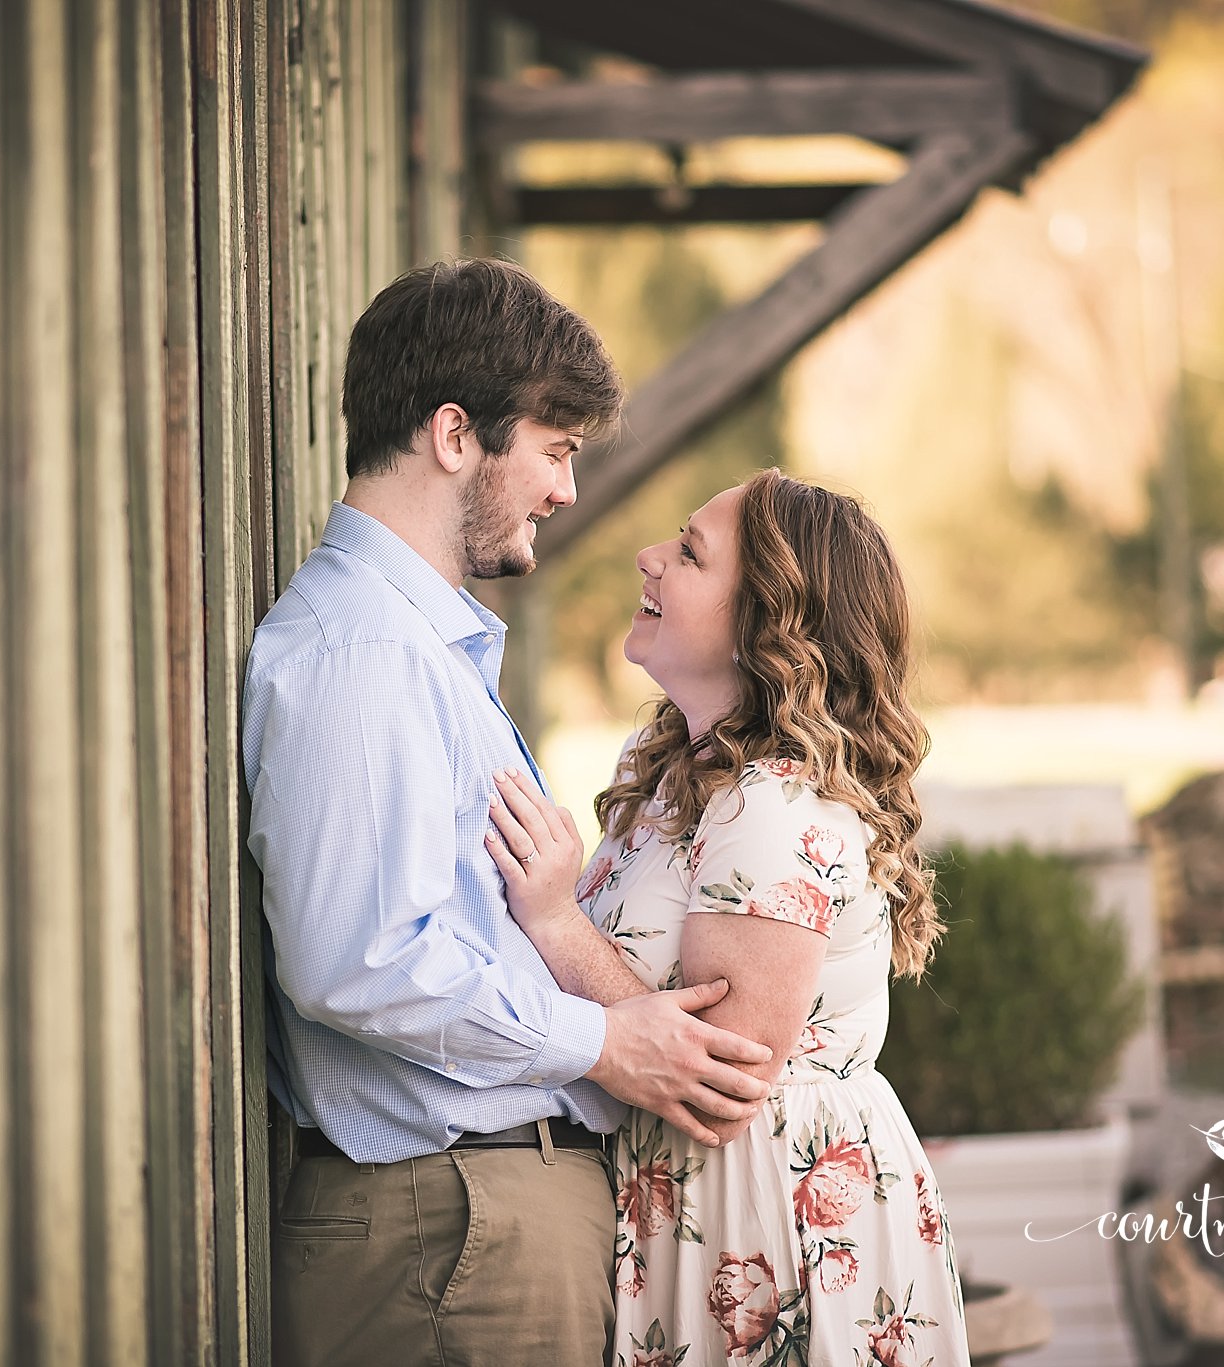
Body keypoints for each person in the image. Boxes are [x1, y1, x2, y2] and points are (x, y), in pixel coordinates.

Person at [244, 257, 777, 1367]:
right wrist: (601, 1040)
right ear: (453, 435)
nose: (565, 491)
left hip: (470, 1231)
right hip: (447, 1236)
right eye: (553, 449)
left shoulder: (420, 648)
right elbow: (359, 958)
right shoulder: (363, 653)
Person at [485, 470, 973, 1367]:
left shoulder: (775, 803)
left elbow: (718, 1073)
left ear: (765, 625)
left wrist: (556, 920)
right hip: (701, 1208)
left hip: (766, 1221)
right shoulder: (672, 764)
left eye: (689, 553)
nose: (649, 557)